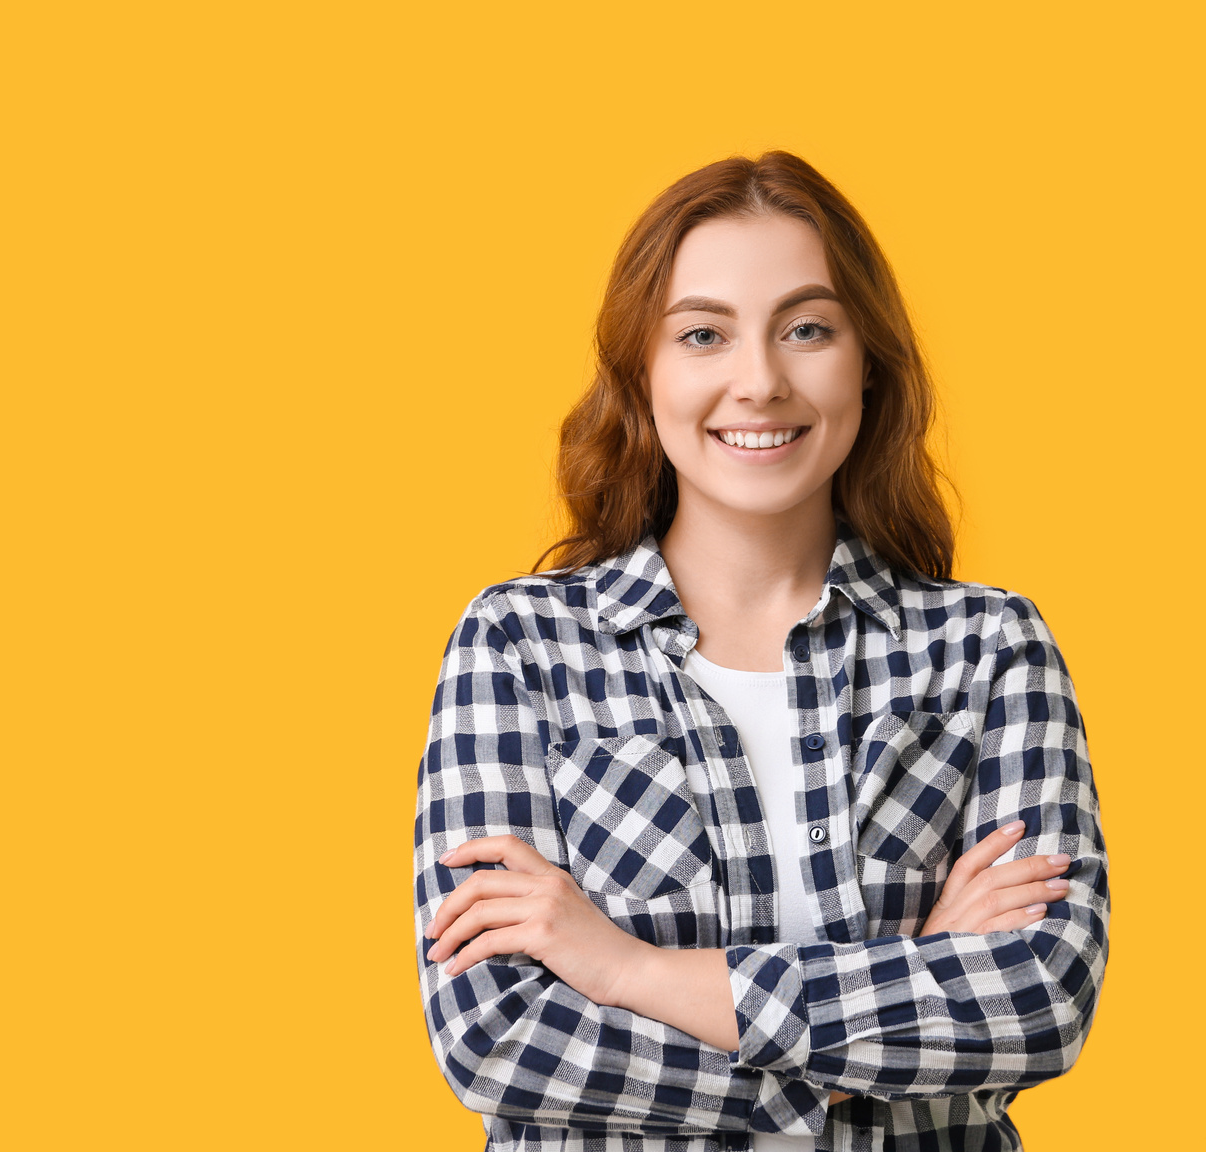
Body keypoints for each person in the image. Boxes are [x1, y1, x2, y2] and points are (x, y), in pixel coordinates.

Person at [412, 150, 1109, 1152]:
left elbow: (1038, 998)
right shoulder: (521, 647)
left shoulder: (989, 650)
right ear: (641, 372)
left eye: (808, 329)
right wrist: (881, 1028)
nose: (760, 381)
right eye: (703, 334)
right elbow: (499, 1034)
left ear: (865, 360)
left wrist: (626, 970)